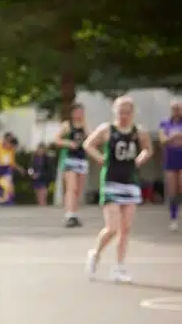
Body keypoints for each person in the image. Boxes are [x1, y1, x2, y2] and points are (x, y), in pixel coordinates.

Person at [83, 95, 153, 283]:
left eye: (128, 112)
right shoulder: (107, 130)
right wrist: (100, 159)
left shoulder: (139, 132)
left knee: (126, 228)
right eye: (121, 111)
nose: (124, 115)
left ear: (133, 113)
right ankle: (95, 254)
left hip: (130, 182)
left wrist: (139, 160)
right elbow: (88, 144)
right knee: (112, 227)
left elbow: (148, 149)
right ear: (115, 112)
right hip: (111, 181)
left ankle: (119, 267)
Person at [54, 103, 89, 227]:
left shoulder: (85, 126)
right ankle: (69, 214)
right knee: (71, 188)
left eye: (82, 112)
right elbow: (56, 140)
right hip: (70, 158)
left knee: (78, 190)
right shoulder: (67, 126)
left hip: (82, 160)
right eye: (78, 112)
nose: (80, 114)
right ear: (73, 113)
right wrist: (68, 143)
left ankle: (75, 214)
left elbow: (90, 140)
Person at [158, 99, 182, 231]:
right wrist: (175, 137)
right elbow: (163, 140)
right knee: (173, 191)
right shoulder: (165, 123)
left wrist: (172, 139)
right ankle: (173, 218)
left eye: (179, 108)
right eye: (174, 108)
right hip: (170, 160)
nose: (177, 111)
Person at [0, 132, 20, 205]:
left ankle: (8, 200)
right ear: (5, 140)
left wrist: (19, 168)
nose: (11, 146)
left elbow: (11, 162)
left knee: (8, 184)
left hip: (5, 168)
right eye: (9, 142)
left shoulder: (12, 149)